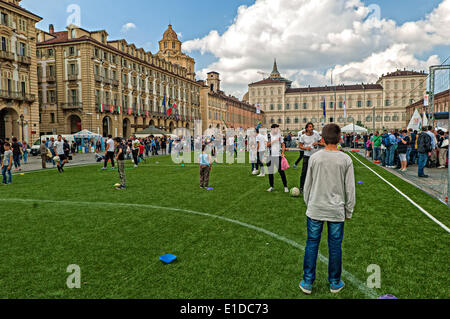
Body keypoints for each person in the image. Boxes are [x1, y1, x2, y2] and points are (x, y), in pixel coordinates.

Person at [299, 124, 355, 295]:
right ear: (340, 139)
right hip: (335, 209)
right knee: (335, 246)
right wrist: (349, 210)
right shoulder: (345, 159)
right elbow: (350, 189)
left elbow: (307, 185)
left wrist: (309, 203)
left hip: (316, 207)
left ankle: (308, 282)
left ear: (322, 139)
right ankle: (334, 282)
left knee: (312, 243)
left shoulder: (316, 158)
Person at [298, 123, 323, 193]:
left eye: (312, 127)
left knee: (315, 172)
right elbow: (300, 146)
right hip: (306, 156)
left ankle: (315, 188)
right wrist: (305, 148)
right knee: (304, 172)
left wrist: (317, 143)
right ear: (306, 128)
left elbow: (323, 143)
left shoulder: (316, 134)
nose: (311, 128)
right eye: (310, 127)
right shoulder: (303, 136)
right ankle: (301, 187)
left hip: (315, 156)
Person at [266, 124, 289, 193]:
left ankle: (285, 187)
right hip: (270, 156)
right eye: (276, 128)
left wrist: (282, 153)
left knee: (281, 172)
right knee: (270, 172)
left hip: (278, 156)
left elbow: (283, 144)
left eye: (278, 128)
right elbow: (267, 144)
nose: (277, 130)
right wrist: (275, 140)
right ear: (272, 129)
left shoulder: (279, 135)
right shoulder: (268, 135)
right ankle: (271, 186)